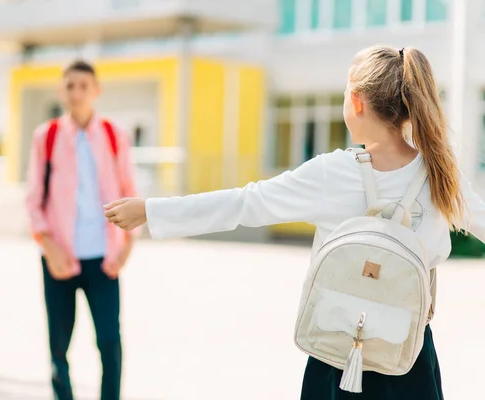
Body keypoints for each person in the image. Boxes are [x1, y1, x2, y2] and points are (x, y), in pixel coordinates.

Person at [103, 46, 485, 399]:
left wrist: (152, 211)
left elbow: (244, 203)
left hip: (337, 352)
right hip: (409, 354)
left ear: (357, 101)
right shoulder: (440, 172)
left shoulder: (332, 172)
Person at [25, 60, 138, 400]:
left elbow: (129, 190)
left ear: (96, 90)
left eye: (83, 86)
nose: (76, 93)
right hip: (59, 256)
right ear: (61, 91)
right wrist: (49, 246)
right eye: (70, 86)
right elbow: (33, 199)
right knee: (58, 347)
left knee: (109, 342)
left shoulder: (114, 135)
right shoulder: (47, 137)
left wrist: (127, 246)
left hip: (104, 257)